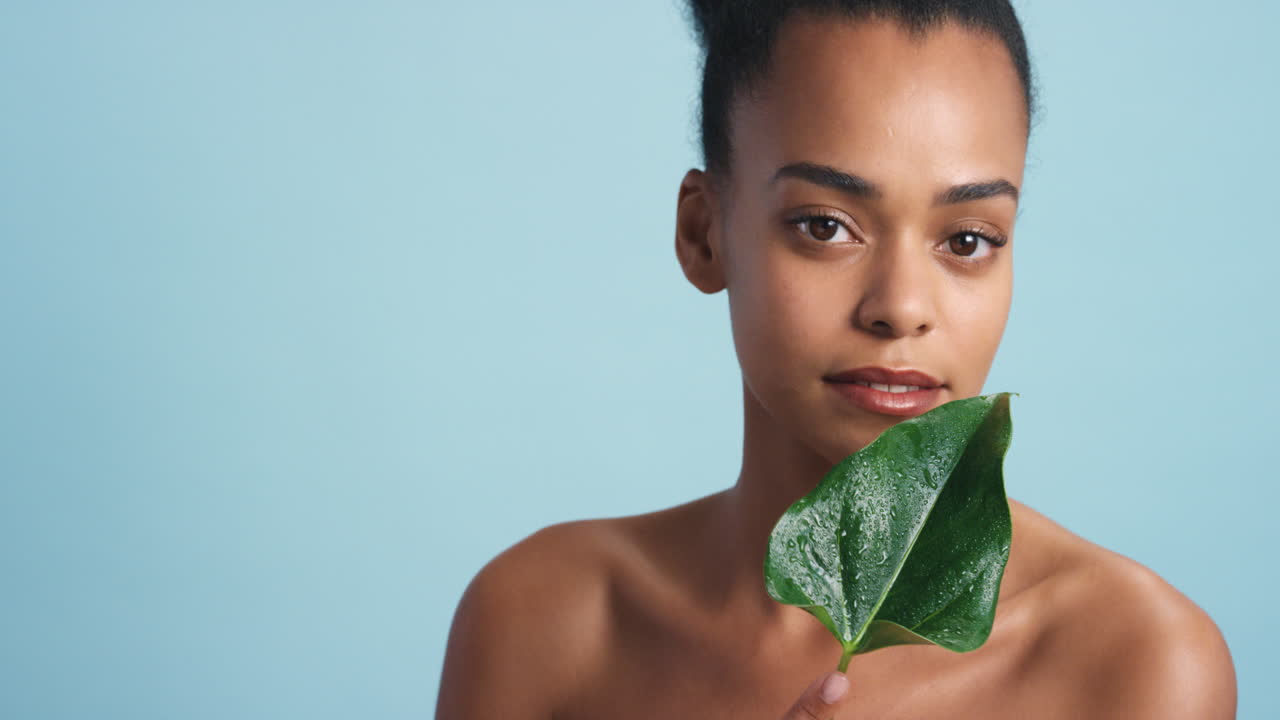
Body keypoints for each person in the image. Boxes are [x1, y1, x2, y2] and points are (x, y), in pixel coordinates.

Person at [435, 1, 1237, 717]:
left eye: (968, 240)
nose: (902, 306)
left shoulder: (1139, 665)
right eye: (826, 226)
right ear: (703, 233)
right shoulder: (545, 622)